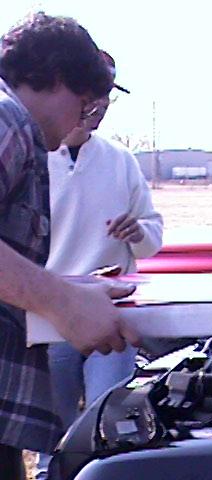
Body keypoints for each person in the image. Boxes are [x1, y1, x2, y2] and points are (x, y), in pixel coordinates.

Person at [0, 13, 139, 480]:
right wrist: (62, 302)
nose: (83, 122)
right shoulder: (7, 118)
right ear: (57, 80)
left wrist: (71, 292)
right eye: (83, 107)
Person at [35, 52, 163, 478]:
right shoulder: (32, 155)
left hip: (112, 316)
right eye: (94, 97)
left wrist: (137, 232)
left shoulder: (120, 160)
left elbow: (152, 237)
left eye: (108, 98)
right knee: (52, 431)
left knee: (105, 421)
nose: (100, 107)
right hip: (48, 315)